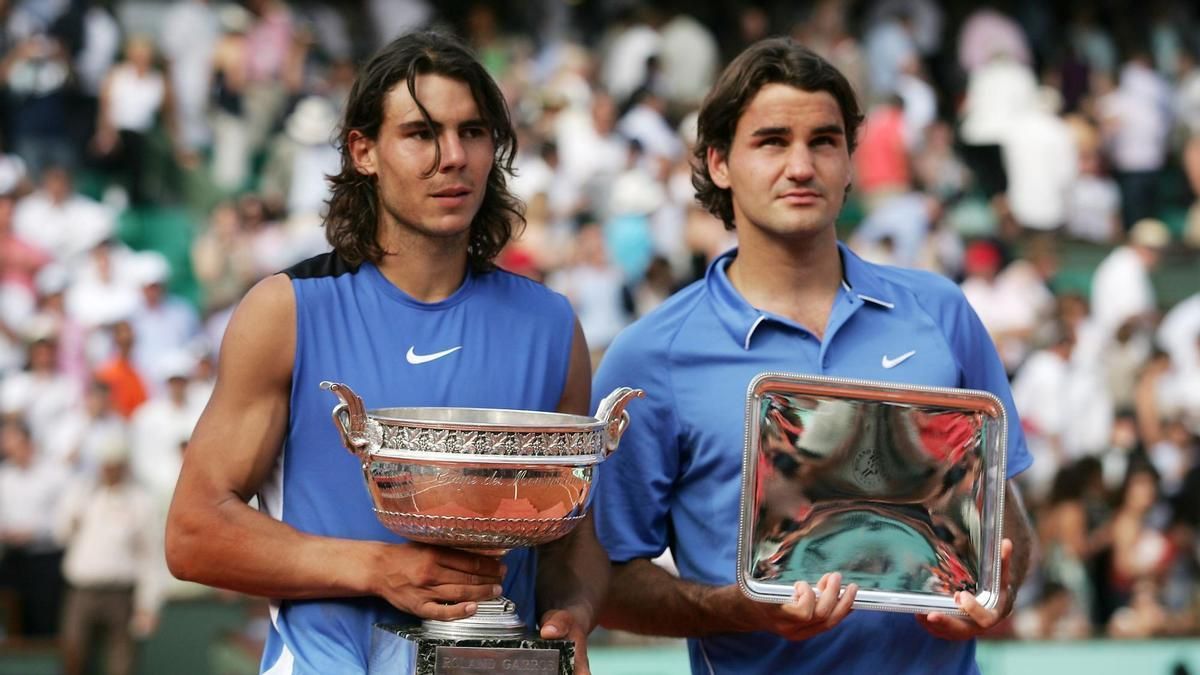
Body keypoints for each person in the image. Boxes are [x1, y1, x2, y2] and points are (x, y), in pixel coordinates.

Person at [591, 38, 1035, 674]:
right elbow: (602, 581)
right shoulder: (650, 356)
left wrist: (997, 590)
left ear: (850, 163)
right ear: (719, 162)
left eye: (824, 141)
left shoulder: (940, 311)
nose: (801, 166)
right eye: (772, 142)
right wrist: (740, 609)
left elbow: (1008, 514)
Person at [166, 32, 603, 674]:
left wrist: (573, 615)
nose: (453, 156)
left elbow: (574, 539)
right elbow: (194, 533)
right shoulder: (286, 310)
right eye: (422, 134)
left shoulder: (552, 324)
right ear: (364, 151)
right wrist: (381, 569)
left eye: (473, 132)